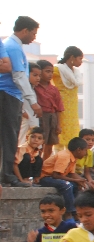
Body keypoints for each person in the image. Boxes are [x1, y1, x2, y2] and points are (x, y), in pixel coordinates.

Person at [0, 16, 40, 186]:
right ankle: (7, 175)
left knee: (10, 137)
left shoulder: (13, 46)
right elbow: (19, 76)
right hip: (7, 94)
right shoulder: (13, 47)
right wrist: (33, 102)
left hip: (13, 96)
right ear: (24, 31)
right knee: (9, 137)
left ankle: (6, 175)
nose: (34, 37)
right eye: (33, 33)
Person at [39, 137, 88, 217]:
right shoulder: (65, 156)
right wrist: (75, 180)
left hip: (54, 177)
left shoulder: (73, 157)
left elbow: (71, 173)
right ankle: (69, 212)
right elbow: (56, 175)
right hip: (45, 177)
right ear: (79, 150)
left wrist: (83, 181)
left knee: (76, 185)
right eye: (85, 150)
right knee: (67, 185)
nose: (85, 153)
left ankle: (76, 209)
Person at [53, 46, 84, 151]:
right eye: (80, 58)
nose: (81, 62)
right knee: (60, 133)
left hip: (73, 108)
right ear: (72, 57)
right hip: (60, 106)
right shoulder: (57, 69)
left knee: (72, 134)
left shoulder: (76, 73)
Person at [34, 60, 64, 160]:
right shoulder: (35, 87)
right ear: (40, 72)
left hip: (53, 117)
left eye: (52, 72)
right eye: (47, 71)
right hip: (41, 116)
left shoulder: (54, 89)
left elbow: (59, 108)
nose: (50, 74)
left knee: (50, 142)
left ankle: (44, 163)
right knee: (40, 142)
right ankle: (37, 162)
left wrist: (58, 125)